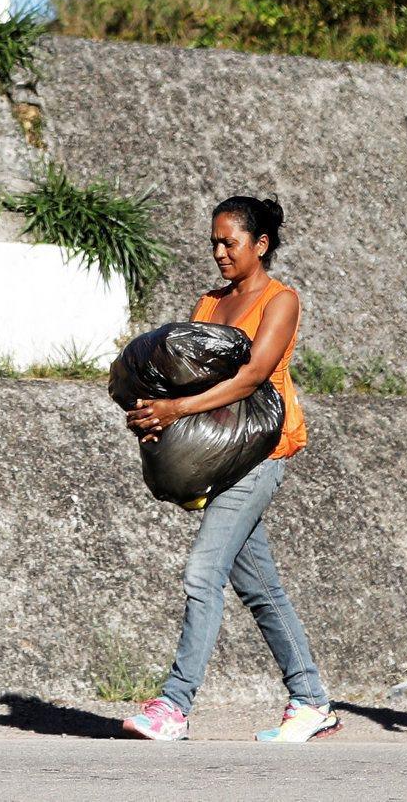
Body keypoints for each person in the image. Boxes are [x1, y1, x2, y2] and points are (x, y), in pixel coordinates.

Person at [119, 196, 337, 744]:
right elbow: (191, 378)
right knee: (261, 586)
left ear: (259, 246)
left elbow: (251, 377)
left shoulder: (280, 301)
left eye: (229, 243)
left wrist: (175, 411)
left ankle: (174, 705)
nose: (219, 253)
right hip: (220, 452)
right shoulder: (210, 302)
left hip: (262, 452)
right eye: (214, 242)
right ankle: (310, 700)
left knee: (202, 573)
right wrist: (154, 417)